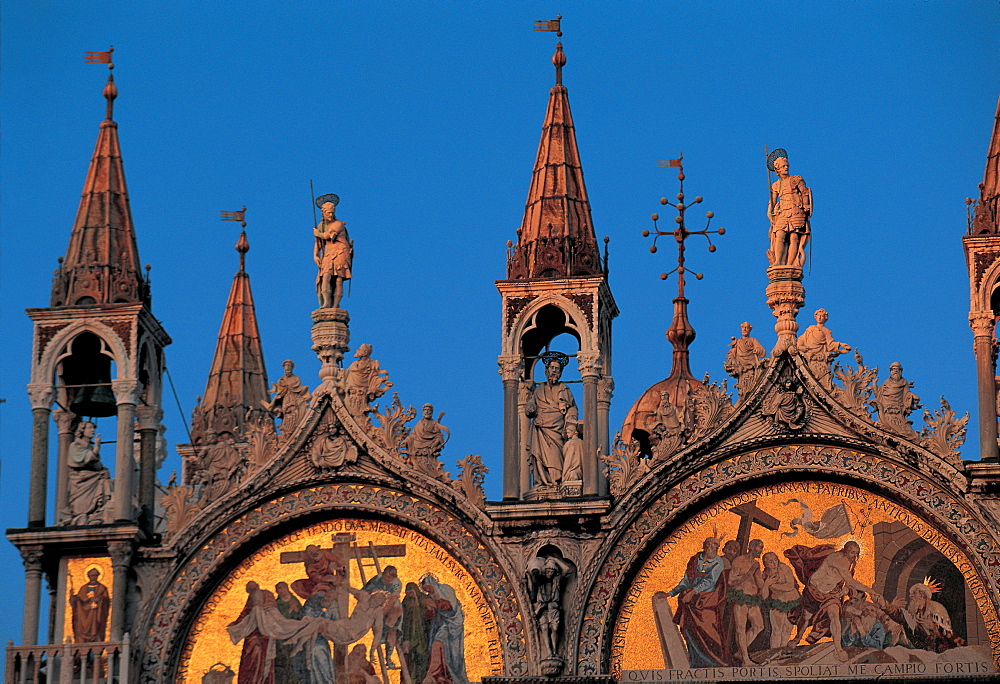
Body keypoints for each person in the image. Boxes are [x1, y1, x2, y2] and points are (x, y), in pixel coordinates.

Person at [784, 541, 882, 662]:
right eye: (852, 552)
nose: (853, 556)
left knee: (834, 616)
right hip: (815, 591)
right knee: (806, 617)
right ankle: (798, 637)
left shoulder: (850, 562)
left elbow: (845, 580)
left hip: (831, 593)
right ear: (845, 550)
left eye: (856, 553)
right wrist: (871, 591)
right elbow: (851, 581)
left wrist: (845, 589)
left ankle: (838, 648)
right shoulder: (837, 558)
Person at [666, 536, 732, 667]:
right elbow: (686, 580)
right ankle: (697, 662)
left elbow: (710, 581)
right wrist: (670, 593)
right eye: (710, 543)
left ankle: (715, 662)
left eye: (716, 545)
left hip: (707, 600)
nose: (713, 546)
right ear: (705, 544)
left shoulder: (718, 561)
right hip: (690, 600)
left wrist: (692, 592)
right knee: (690, 630)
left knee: (710, 630)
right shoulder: (695, 559)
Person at [525, 358, 578, 487]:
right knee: (539, 456)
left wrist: (570, 424)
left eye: (557, 369)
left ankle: (555, 482)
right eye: (552, 368)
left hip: (557, 429)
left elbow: (572, 408)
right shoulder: (539, 389)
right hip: (540, 428)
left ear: (560, 373)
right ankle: (542, 482)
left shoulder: (564, 389)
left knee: (555, 457)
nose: (554, 371)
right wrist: (530, 408)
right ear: (546, 370)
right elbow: (531, 405)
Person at [882, 581, 964, 653]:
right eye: (911, 594)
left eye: (914, 593)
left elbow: (948, 632)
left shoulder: (935, 608)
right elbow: (902, 617)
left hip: (939, 650)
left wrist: (933, 628)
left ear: (922, 595)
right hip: (922, 650)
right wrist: (890, 607)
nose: (911, 596)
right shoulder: (915, 612)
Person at [419, 573, 468, 684]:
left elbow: (452, 608)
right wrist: (429, 610)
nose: (429, 590)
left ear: (433, 583)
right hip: (439, 626)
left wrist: (436, 605)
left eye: (429, 587)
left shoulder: (446, 589)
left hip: (452, 626)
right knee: (436, 645)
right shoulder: (430, 597)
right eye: (426, 589)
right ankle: (438, 675)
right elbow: (429, 616)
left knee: (441, 646)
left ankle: (435, 674)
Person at [767, 153, 812, 267]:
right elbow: (772, 201)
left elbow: (805, 193)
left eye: (786, 165)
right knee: (779, 235)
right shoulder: (776, 185)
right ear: (777, 169)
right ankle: (778, 261)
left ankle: (791, 263)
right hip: (783, 212)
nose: (786, 167)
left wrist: (806, 205)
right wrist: (769, 211)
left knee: (794, 237)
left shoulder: (796, 179)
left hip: (796, 211)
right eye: (783, 166)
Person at [228, 581, 277, 684]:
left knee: (261, 654)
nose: (253, 591)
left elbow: (273, 609)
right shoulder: (252, 601)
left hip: (266, 634)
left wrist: (262, 613)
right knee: (252, 652)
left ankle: (262, 680)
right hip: (252, 633)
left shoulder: (266, 595)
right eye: (250, 590)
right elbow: (245, 612)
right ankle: (249, 680)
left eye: (253, 588)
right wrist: (236, 623)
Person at [65, 421, 111, 525]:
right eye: (89, 428)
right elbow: (82, 460)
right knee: (80, 507)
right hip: (81, 481)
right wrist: (97, 448)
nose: (92, 430)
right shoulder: (75, 445)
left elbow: (94, 463)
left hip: (93, 479)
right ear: (82, 430)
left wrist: (102, 470)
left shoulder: (89, 447)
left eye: (93, 428)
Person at [728, 540, 765, 665]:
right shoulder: (739, 561)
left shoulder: (756, 563)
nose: (761, 550)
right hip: (741, 597)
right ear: (752, 547)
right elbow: (731, 581)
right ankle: (745, 659)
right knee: (741, 628)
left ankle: (740, 652)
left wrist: (767, 580)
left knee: (759, 626)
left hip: (753, 598)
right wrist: (749, 573)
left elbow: (759, 583)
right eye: (760, 547)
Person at [313, 194, 352, 309]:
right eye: (328, 213)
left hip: (340, 252)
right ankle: (326, 303)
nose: (330, 215)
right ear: (323, 213)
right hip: (328, 253)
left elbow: (328, 236)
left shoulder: (338, 224)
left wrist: (318, 233)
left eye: (332, 212)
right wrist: (315, 255)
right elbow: (319, 243)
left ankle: (335, 305)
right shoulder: (321, 225)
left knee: (338, 279)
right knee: (325, 276)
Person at [362, 566, 403, 667]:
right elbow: (364, 592)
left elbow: (392, 600)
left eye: (389, 577)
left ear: (393, 577)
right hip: (376, 605)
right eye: (385, 576)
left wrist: (382, 613)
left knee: (392, 630)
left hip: (390, 607)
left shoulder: (396, 583)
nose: (386, 579)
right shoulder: (378, 578)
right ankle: (381, 635)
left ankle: (388, 659)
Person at [760, 552, 800, 649]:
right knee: (776, 630)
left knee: (787, 629)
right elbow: (764, 596)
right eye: (770, 561)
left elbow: (790, 586)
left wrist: (772, 585)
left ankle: (783, 651)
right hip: (777, 603)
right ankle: (774, 652)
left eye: (775, 560)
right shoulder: (765, 574)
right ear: (765, 564)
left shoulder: (784, 568)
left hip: (791, 601)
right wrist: (766, 584)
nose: (774, 563)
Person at [797, 309, 851, 383]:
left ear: (825, 318)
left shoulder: (826, 331)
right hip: (808, 354)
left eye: (821, 316)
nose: (819, 318)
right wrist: (800, 346)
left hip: (819, 356)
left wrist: (841, 345)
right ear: (815, 317)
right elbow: (802, 338)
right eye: (818, 316)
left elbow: (830, 345)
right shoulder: (811, 328)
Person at [870, 362, 921, 435]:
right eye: (893, 369)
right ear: (891, 371)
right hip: (887, 409)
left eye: (897, 369)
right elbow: (878, 395)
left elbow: (907, 393)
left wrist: (913, 397)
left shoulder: (904, 382)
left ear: (900, 371)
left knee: (902, 429)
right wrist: (874, 384)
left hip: (898, 409)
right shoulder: (886, 383)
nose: (895, 371)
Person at [344, 344, 393, 417]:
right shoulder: (354, 364)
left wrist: (382, 381)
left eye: (359, 349)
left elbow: (374, 377)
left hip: (361, 393)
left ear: (364, 352)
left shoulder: (371, 364)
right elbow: (346, 375)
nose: (357, 350)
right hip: (350, 392)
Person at [261, 360, 310, 432]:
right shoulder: (282, 379)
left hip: (294, 398)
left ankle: (293, 429)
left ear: (292, 368)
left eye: (289, 366)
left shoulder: (296, 379)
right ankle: (287, 429)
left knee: (294, 412)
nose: (287, 368)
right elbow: (281, 390)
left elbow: (297, 388)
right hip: (286, 399)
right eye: (286, 366)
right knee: (286, 412)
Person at [406, 404, 450, 479]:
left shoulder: (434, 423)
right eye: (425, 410)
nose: (427, 412)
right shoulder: (419, 423)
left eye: (428, 410)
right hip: (417, 446)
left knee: (428, 463)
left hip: (429, 447)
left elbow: (439, 435)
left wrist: (436, 442)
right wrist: (407, 440)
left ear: (431, 412)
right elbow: (414, 435)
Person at [724, 322, 766, 399]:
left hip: (751, 367)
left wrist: (757, 350)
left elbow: (762, 351)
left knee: (753, 384)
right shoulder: (737, 342)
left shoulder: (753, 340)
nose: (745, 329)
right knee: (743, 387)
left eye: (746, 328)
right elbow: (731, 354)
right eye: (743, 328)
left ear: (750, 329)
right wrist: (733, 363)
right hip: (742, 369)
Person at [400, 582, 430, 684]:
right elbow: (404, 618)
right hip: (409, 633)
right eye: (408, 593)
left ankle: (421, 679)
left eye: (412, 593)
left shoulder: (423, 598)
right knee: (410, 657)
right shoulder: (406, 601)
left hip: (422, 633)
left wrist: (418, 603)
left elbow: (429, 612)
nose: (410, 595)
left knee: (422, 656)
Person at [70, 567, 111, 642]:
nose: (93, 577)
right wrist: (74, 598)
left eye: (95, 575)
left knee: (96, 628)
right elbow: (80, 598)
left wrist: (99, 600)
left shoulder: (102, 588)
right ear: (88, 576)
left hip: (96, 613)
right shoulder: (84, 588)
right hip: (84, 616)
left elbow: (106, 601)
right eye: (92, 576)